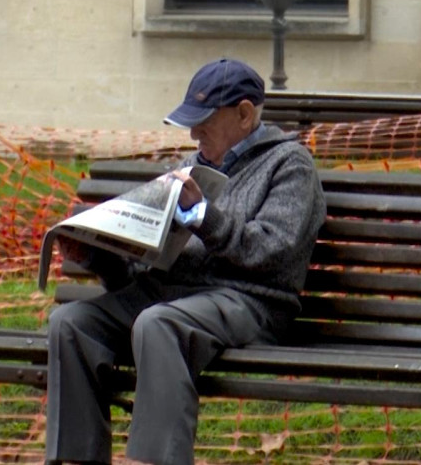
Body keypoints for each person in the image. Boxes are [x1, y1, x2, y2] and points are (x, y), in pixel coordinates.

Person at [44, 58, 327, 465]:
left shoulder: (289, 164)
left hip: (248, 300)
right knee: (70, 323)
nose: (194, 134)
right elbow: (139, 271)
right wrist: (95, 254)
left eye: (204, 122)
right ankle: (76, 460)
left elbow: (273, 251)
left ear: (244, 114)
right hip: (170, 294)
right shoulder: (188, 169)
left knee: (159, 324)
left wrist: (203, 217)